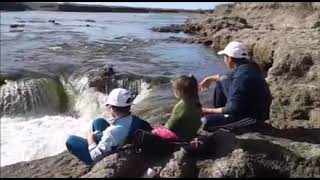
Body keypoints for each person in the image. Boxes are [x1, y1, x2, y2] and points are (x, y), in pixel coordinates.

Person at [66, 88, 152, 165]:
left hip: (103, 153)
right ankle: (98, 139)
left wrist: (90, 139)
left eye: (108, 106)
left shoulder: (111, 132)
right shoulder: (134, 119)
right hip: (120, 138)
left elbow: (95, 156)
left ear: (112, 108)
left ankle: (92, 164)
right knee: (99, 121)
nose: (107, 108)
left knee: (71, 140)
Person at [198, 41, 272, 131]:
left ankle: (223, 116)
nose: (224, 60)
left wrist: (205, 111)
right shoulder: (248, 67)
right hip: (245, 108)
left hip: (252, 117)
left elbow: (233, 108)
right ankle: (221, 115)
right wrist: (209, 79)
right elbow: (225, 77)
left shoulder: (241, 78)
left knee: (205, 122)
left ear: (229, 58)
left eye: (224, 57)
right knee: (221, 81)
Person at [152, 74, 202, 142]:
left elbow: (169, 127)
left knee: (155, 131)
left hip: (179, 138)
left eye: (175, 89)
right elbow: (187, 115)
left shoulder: (180, 106)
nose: (173, 91)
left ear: (181, 91)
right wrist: (172, 114)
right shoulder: (196, 102)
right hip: (192, 134)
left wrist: (162, 127)